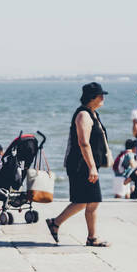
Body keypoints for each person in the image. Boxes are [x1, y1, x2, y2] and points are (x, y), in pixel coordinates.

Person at [46, 82, 110, 248]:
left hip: (87, 165)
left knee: (91, 201)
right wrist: (92, 167)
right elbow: (83, 143)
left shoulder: (93, 114)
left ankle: (87, 235)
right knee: (86, 201)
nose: (103, 98)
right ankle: (58, 224)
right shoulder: (83, 115)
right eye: (101, 95)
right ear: (92, 97)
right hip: (81, 165)